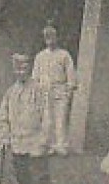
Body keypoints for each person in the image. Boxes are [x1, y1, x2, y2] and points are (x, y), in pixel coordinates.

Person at [0, 53, 52, 184]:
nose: (21, 71)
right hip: (18, 144)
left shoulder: (40, 90)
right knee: (23, 181)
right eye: (17, 67)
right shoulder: (11, 92)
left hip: (36, 143)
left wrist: (44, 140)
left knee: (39, 181)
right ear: (13, 69)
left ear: (30, 68)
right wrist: (3, 137)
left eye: (24, 67)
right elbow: (2, 117)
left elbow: (47, 117)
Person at [32, 25, 77, 156]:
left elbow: (70, 73)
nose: (50, 40)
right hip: (45, 90)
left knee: (60, 117)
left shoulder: (64, 55)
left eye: (52, 36)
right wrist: (36, 88)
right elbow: (35, 75)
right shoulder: (40, 56)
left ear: (57, 38)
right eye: (47, 37)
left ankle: (61, 145)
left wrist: (69, 88)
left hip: (60, 89)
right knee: (46, 119)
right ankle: (48, 144)